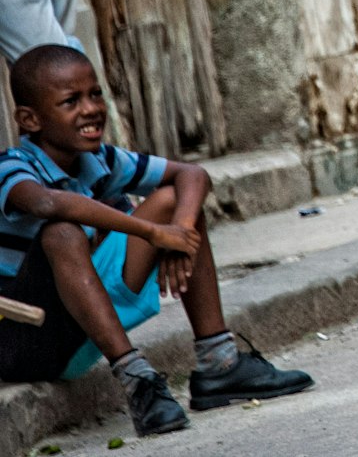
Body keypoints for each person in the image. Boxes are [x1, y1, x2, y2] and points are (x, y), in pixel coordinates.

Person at [0, 45, 311, 434]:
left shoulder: (100, 159)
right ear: (30, 119)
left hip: (82, 326)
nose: (91, 108)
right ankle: (139, 382)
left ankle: (220, 363)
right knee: (62, 232)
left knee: (178, 198)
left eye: (95, 94)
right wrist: (151, 232)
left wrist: (179, 231)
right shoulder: (11, 166)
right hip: (22, 340)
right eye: (71, 101)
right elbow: (48, 203)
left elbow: (193, 174)